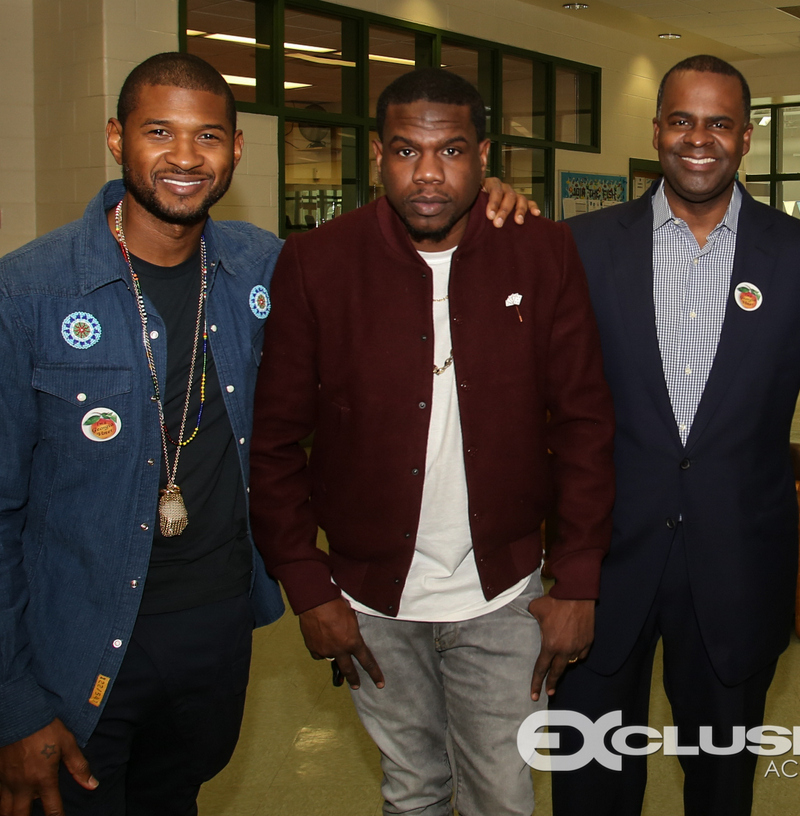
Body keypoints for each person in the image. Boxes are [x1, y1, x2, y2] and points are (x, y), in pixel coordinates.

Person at [247, 67, 615, 816]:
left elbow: (584, 424)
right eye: (407, 151)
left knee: (502, 796)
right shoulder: (317, 263)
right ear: (378, 155)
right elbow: (276, 442)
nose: (428, 173)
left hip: (503, 592)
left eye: (449, 151)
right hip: (370, 598)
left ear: (484, 157)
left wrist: (576, 577)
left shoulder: (541, 253)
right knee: (412, 790)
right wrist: (307, 583)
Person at [0, 53, 285, 816]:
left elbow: (386, 268)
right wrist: (8, 705)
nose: (186, 157)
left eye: (208, 135)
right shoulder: (20, 296)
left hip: (217, 629)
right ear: (118, 138)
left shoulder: (264, 269)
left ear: (237, 149)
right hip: (80, 638)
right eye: (160, 131)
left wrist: (477, 200)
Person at [550, 55, 800, 816]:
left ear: (747, 136)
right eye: (682, 120)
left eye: (720, 123)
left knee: (722, 787)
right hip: (598, 573)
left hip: (738, 570)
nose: (699, 139)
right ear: (658, 127)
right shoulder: (579, 248)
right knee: (588, 787)